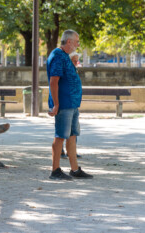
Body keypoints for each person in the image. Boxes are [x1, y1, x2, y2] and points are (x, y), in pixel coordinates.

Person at [47, 29, 93, 180]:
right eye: (76, 41)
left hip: (72, 103)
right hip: (64, 104)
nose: (78, 44)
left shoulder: (65, 56)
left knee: (72, 136)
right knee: (60, 136)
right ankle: (55, 170)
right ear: (69, 42)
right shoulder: (58, 56)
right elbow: (54, 81)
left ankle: (74, 169)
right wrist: (56, 104)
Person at [61, 52, 82, 159]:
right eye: (74, 60)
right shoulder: (65, 70)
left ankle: (72, 151)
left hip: (74, 103)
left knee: (74, 130)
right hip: (67, 103)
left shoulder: (74, 70)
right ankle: (61, 151)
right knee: (64, 130)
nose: (76, 62)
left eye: (76, 60)